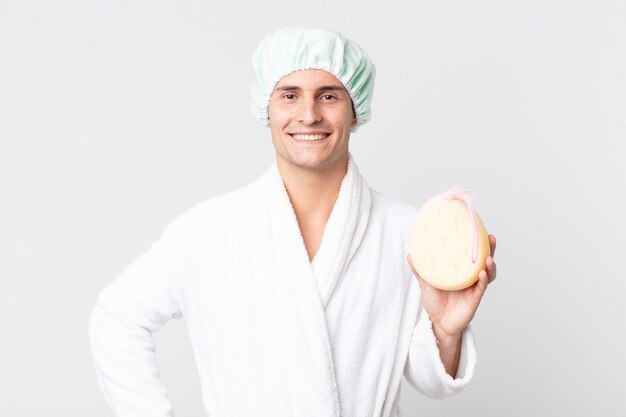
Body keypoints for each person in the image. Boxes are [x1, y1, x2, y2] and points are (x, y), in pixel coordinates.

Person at [88, 26, 498, 417]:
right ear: (266, 108)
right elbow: (117, 316)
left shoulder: (410, 233)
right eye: (289, 95)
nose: (308, 115)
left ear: (356, 110)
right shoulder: (207, 230)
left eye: (328, 96)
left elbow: (431, 381)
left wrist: (445, 331)